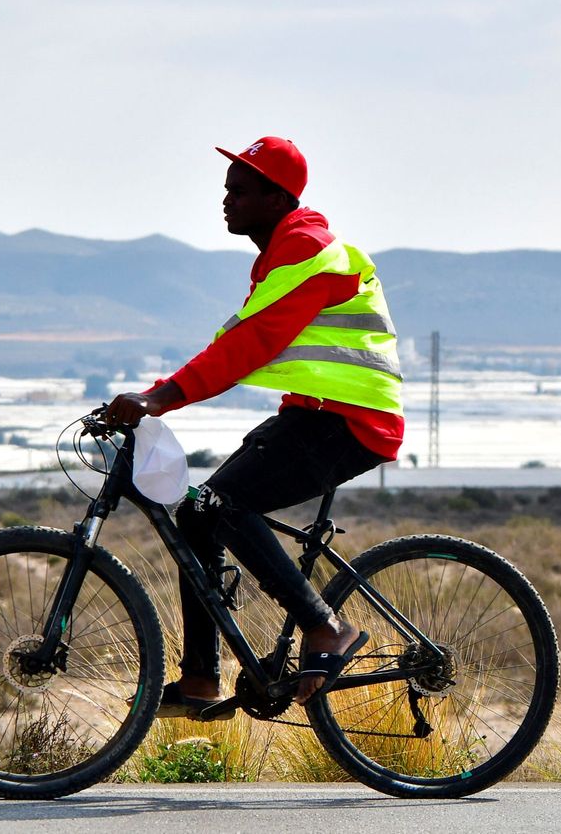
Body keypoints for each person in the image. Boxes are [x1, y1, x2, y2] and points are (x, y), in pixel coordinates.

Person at [105, 136, 405, 716]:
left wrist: (159, 398)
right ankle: (200, 679)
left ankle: (326, 628)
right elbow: (237, 341)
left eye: (240, 191)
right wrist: (155, 396)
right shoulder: (278, 256)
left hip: (348, 419)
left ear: (276, 196)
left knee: (220, 505)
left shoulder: (307, 250)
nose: (226, 200)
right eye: (226, 189)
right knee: (197, 511)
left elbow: (247, 346)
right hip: (316, 413)